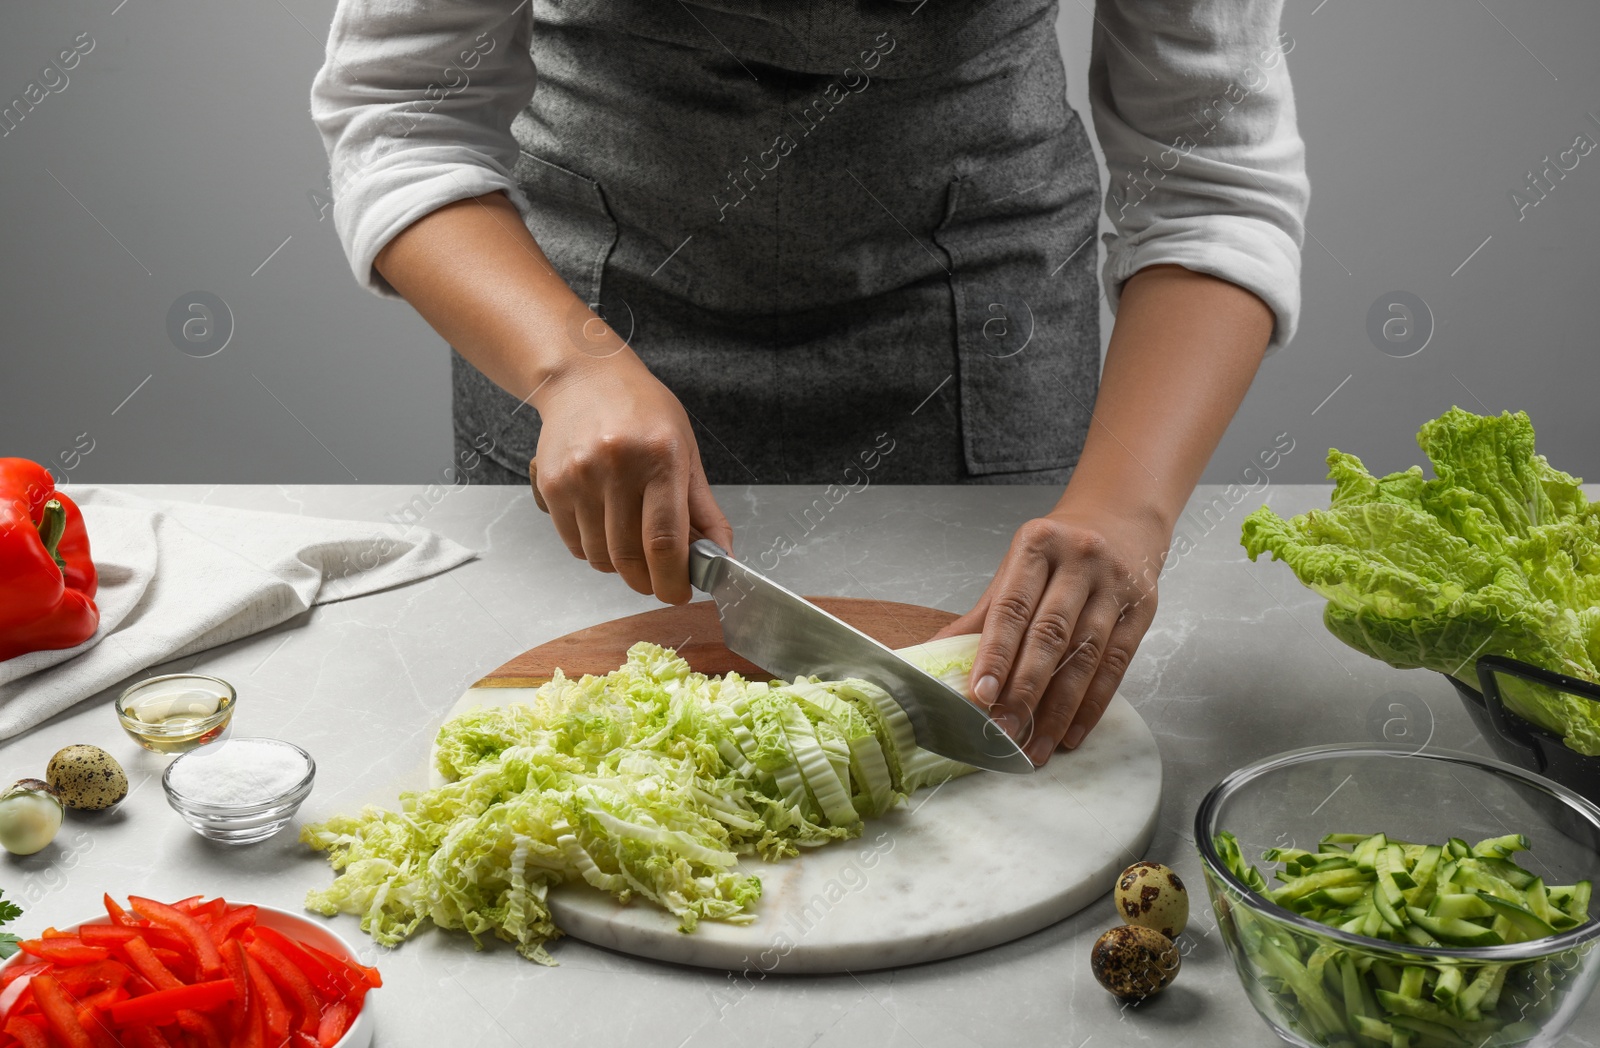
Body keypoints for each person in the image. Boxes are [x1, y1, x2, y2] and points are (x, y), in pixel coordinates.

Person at [310, 0, 1309, 766]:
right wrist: (569, 365)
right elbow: (400, 116)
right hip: (572, 325)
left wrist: (1125, 507)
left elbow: (1210, 174)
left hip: (977, 344)